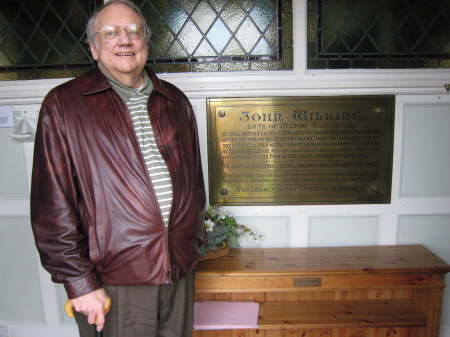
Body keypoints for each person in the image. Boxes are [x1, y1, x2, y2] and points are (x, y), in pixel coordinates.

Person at [30, 0, 206, 336]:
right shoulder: (65, 105)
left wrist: (192, 246)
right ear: (94, 49)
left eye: (133, 31)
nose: (124, 40)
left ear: (145, 42)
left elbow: (195, 182)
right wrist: (80, 282)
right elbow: (51, 207)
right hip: (114, 278)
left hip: (179, 272)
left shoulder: (175, 100)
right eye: (110, 33)